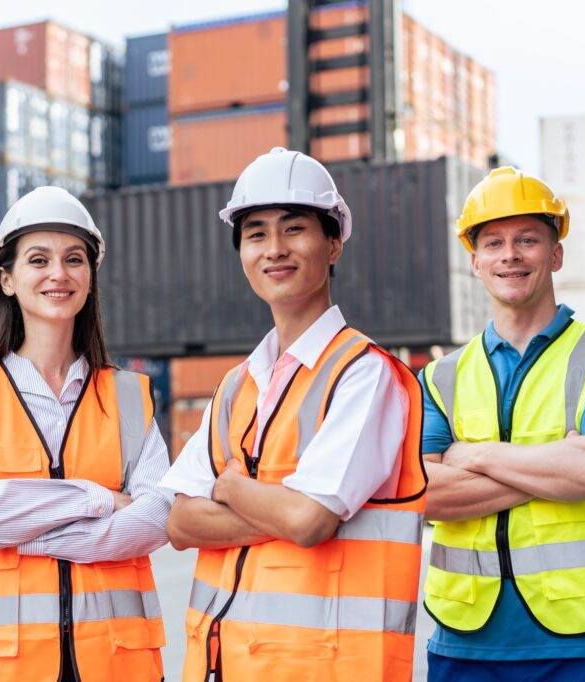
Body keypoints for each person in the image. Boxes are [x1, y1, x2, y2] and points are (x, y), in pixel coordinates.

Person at [160, 147, 427, 681]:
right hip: (224, 665)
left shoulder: (364, 374)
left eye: (294, 229)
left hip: (323, 668)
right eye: (256, 233)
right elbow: (180, 522)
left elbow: (309, 521)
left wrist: (231, 487)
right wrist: (278, 504)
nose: (274, 249)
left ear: (333, 245)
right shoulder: (237, 387)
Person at [0, 186, 171, 682]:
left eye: (74, 259)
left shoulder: (128, 396)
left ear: (90, 279)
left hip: (115, 665)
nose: (59, 273)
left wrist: (19, 528)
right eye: (39, 259)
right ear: (8, 280)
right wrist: (99, 497)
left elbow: (160, 516)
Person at [420, 167, 585, 680]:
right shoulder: (439, 377)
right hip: (466, 644)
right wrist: (559, 468)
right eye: (494, 242)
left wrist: (473, 455)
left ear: (556, 253)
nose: (510, 255)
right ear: (475, 261)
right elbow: (423, 494)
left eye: (527, 240)